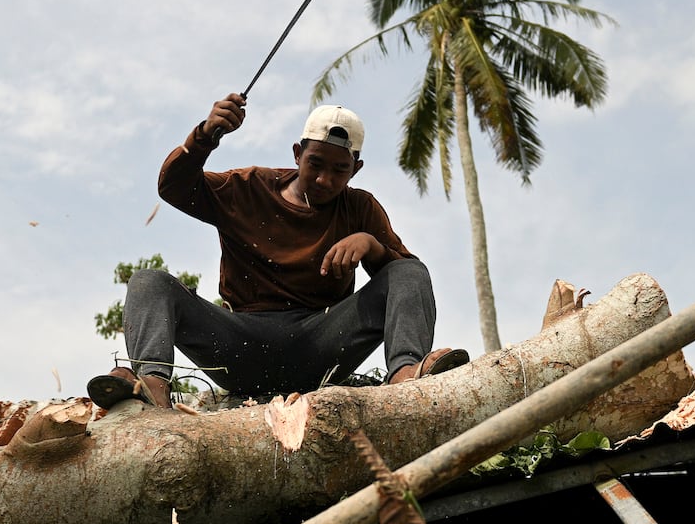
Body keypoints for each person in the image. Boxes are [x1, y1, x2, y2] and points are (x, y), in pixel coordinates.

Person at [87, 93, 467, 409]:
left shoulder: (359, 208)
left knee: (408, 270)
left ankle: (405, 376)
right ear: (298, 153)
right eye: (315, 164)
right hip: (240, 344)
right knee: (149, 282)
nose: (324, 179)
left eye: (339, 170)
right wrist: (205, 135)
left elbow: (407, 281)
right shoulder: (249, 187)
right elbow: (173, 188)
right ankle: (152, 389)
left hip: (320, 345)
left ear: (356, 169)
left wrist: (372, 247)